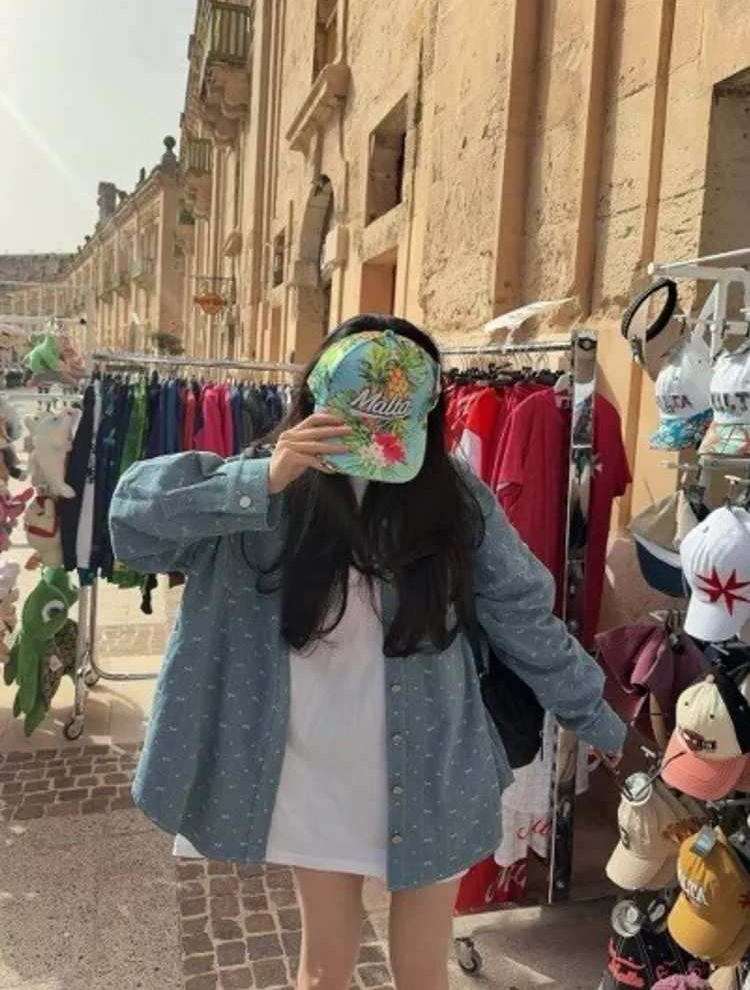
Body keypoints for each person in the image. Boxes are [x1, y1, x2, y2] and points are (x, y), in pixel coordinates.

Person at [109, 314, 626, 990]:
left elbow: (520, 612)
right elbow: (131, 526)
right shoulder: (263, 483)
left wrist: (595, 713)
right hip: (310, 768)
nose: (372, 447)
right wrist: (263, 478)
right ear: (315, 396)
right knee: (324, 969)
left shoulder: (450, 493)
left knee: (422, 971)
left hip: (434, 759)